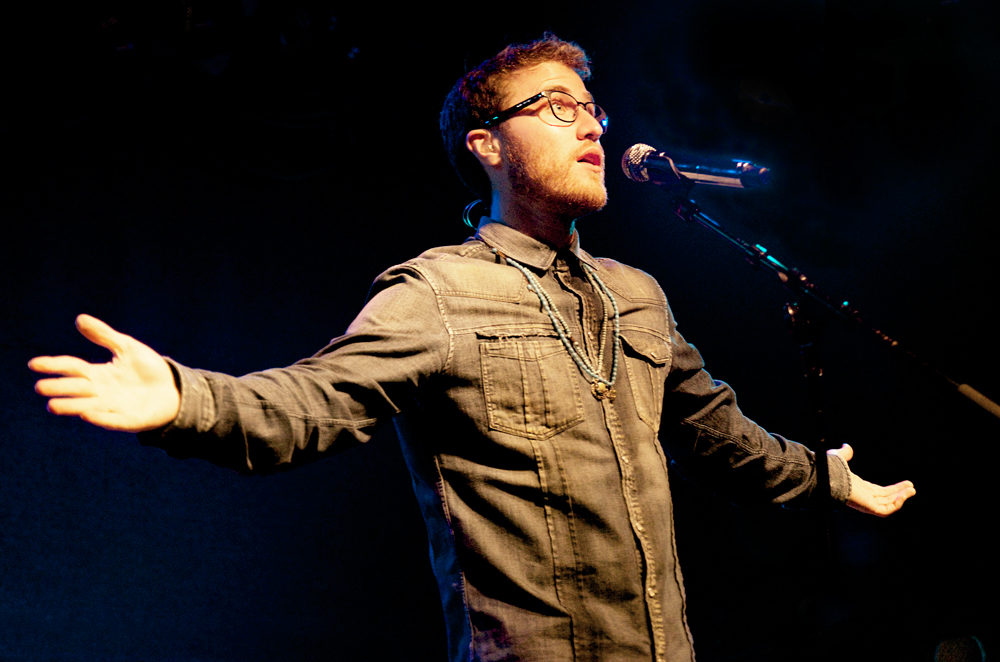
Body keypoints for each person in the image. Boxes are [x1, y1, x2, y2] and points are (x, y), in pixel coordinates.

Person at [29, 34, 915, 662]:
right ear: (488, 147)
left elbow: (720, 434)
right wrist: (185, 399)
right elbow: (308, 404)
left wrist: (827, 479)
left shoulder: (638, 295)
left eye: (593, 108)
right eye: (557, 107)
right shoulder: (438, 291)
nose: (592, 126)